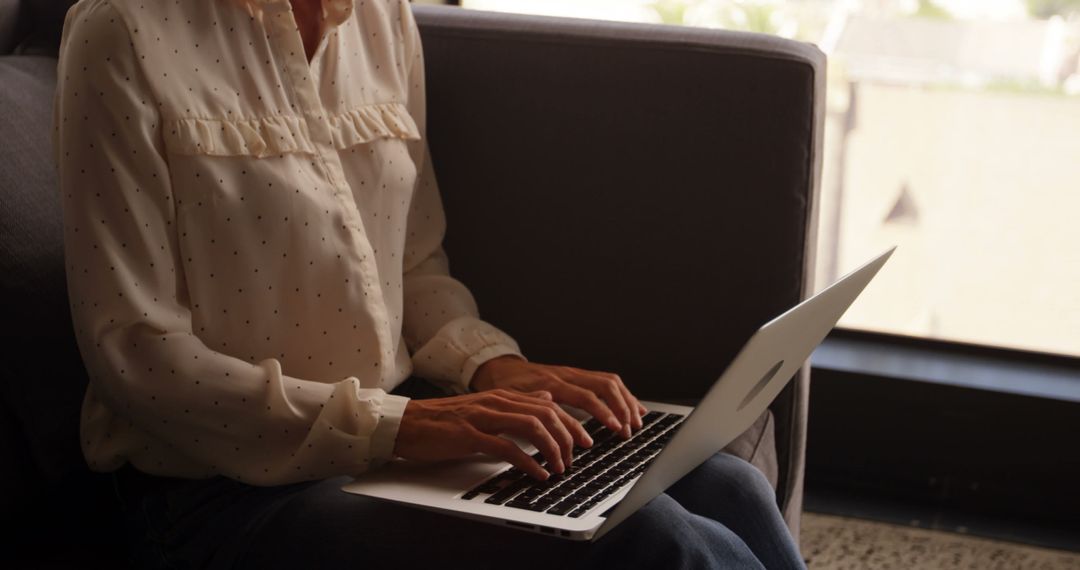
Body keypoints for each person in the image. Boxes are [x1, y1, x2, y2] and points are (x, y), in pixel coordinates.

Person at [52, 0, 806, 567]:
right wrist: (402, 429)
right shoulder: (122, 32)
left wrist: (497, 368)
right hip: (218, 490)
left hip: (393, 438)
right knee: (650, 539)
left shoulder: (382, 18)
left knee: (723, 483)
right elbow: (138, 358)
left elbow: (412, 266)